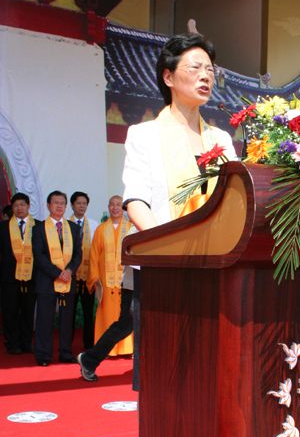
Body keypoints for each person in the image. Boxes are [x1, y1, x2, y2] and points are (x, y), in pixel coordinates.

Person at [77, 32, 237, 383]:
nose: (205, 76)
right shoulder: (144, 134)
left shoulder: (222, 140)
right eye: (195, 68)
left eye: (210, 70)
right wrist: (170, 251)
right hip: (164, 266)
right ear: (168, 76)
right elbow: (136, 200)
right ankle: (93, 359)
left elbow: (233, 202)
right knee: (162, 368)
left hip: (214, 266)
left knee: (208, 368)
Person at [32, 191, 82, 366]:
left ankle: (66, 352)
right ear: (48, 206)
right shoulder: (39, 228)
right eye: (56, 203)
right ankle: (43, 355)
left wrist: (69, 271)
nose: (59, 206)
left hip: (68, 280)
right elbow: (38, 255)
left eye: (62, 203)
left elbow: (78, 254)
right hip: (47, 281)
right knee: (45, 319)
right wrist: (57, 273)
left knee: (67, 320)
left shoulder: (73, 228)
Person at [87, 195, 132, 355]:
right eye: (112, 204)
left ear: (123, 208)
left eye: (118, 204)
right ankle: (106, 350)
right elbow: (93, 255)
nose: (115, 207)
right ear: (108, 207)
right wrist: (95, 279)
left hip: (125, 282)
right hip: (106, 283)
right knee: (107, 315)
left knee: (126, 316)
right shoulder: (100, 230)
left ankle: (127, 348)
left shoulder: (131, 228)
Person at [0, 193, 39, 354]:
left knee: (28, 311)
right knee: (10, 311)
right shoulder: (3, 227)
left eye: (22, 205)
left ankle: (26, 342)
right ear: (12, 208)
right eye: (16, 205)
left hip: (31, 277)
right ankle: (13, 343)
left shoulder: (38, 226)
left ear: (29, 206)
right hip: (10, 277)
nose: (19, 208)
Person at [69, 191, 99, 349]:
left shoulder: (94, 225)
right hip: (69, 276)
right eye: (78, 203)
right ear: (72, 205)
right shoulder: (65, 225)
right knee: (69, 313)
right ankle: (66, 344)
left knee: (88, 312)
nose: (81, 206)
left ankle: (88, 344)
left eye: (84, 203)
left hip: (88, 276)